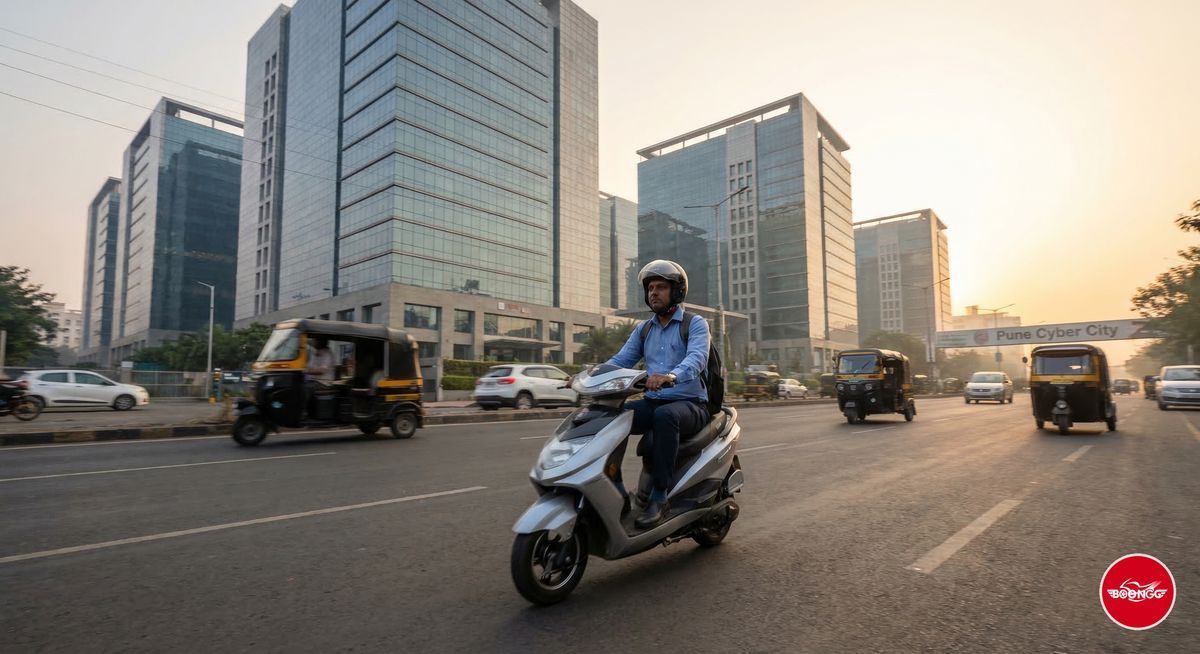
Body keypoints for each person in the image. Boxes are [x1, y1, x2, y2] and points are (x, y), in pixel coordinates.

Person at [606, 259, 710, 529]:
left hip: (690, 404)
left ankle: (659, 497)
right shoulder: (645, 329)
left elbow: (698, 358)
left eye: (661, 287)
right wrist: (588, 376)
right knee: (611, 415)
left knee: (665, 416)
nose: (654, 292)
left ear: (676, 292)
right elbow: (620, 361)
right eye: (651, 288)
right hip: (653, 402)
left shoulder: (695, 324)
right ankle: (614, 487)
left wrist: (672, 376)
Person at [304, 337, 335, 415]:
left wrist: (307, 371)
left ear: (322, 342)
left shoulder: (327, 354)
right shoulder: (316, 352)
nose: (313, 342)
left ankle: (302, 412)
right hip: (314, 380)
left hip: (323, 383)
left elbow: (322, 371)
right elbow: (309, 367)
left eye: (316, 340)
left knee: (305, 387)